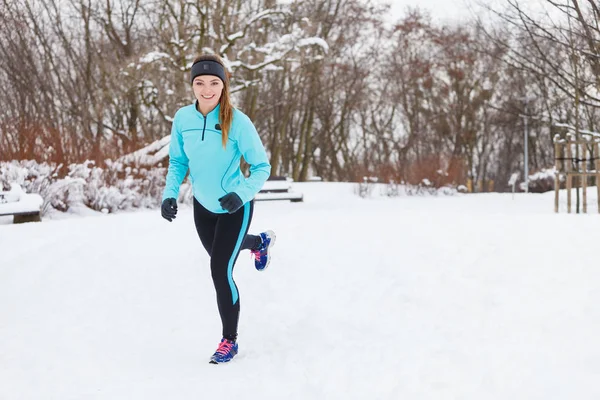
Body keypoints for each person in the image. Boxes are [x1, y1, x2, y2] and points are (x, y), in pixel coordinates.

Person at [160, 54, 276, 364]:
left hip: (235, 208)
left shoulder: (237, 121)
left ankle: (229, 340)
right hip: (203, 207)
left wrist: (241, 193)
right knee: (222, 257)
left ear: (224, 86)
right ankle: (259, 242)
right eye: (200, 83)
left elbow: (262, 166)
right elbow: (177, 160)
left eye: (214, 83)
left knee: (220, 270)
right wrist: (170, 194)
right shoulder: (183, 118)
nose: (207, 89)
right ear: (192, 86)